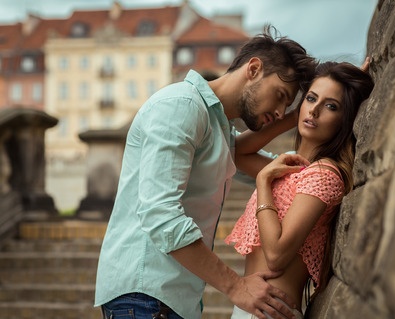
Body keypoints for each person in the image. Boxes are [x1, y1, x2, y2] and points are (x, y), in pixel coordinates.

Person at [94, 25, 317, 319]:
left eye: (286, 106)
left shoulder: (217, 127)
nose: (278, 111)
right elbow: (160, 215)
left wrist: (304, 114)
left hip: (168, 300)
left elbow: (273, 168)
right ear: (253, 69)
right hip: (145, 297)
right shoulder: (182, 106)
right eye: (279, 95)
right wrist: (237, 287)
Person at [225, 61, 374, 318]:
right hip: (251, 308)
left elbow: (276, 255)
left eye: (331, 106)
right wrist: (298, 115)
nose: (314, 110)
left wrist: (263, 182)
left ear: (344, 119)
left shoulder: (325, 174)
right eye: (311, 98)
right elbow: (237, 151)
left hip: (271, 311)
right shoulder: (292, 165)